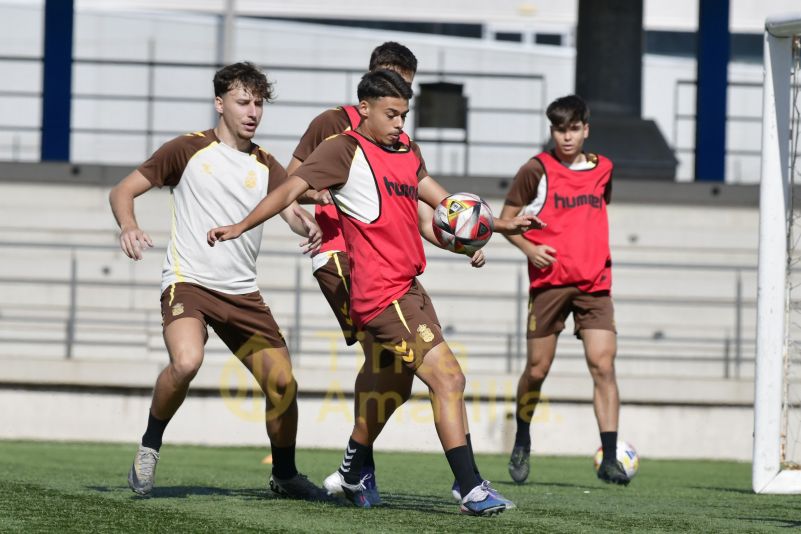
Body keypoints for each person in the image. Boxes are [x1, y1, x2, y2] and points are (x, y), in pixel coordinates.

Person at [208, 70, 540, 515]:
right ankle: (469, 486)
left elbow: (445, 209)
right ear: (364, 108)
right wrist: (240, 226)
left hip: (411, 287)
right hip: (383, 295)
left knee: (394, 386)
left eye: (404, 114)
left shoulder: (407, 151)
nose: (400, 123)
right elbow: (287, 188)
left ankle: (351, 469)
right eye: (391, 114)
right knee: (449, 378)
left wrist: (484, 232)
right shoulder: (343, 150)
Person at [109, 61, 328, 499]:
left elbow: (291, 213)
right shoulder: (186, 149)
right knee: (187, 361)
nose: (252, 111)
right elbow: (122, 190)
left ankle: (284, 475)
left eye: (259, 103)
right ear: (219, 103)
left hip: (242, 294)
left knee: (283, 385)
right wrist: (128, 225)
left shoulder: (268, 165)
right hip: (189, 282)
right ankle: (150, 445)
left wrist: (308, 224)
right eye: (243, 101)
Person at [285, 42, 418, 504]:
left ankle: (356, 463)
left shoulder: (399, 138)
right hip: (339, 252)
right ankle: (360, 470)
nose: (397, 98)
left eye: (405, 88)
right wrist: (312, 201)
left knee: (395, 368)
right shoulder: (331, 123)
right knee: (382, 356)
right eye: (389, 81)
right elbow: (292, 181)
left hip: (384, 258)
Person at [500, 94, 629, 486]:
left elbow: (593, 214)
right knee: (538, 370)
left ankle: (609, 457)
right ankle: (522, 437)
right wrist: (529, 247)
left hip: (595, 284)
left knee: (602, 364)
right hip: (549, 284)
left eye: (573, 128)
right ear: (551, 130)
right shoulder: (535, 170)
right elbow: (506, 220)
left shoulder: (604, 168)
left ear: (586, 129)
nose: (567, 137)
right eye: (559, 129)